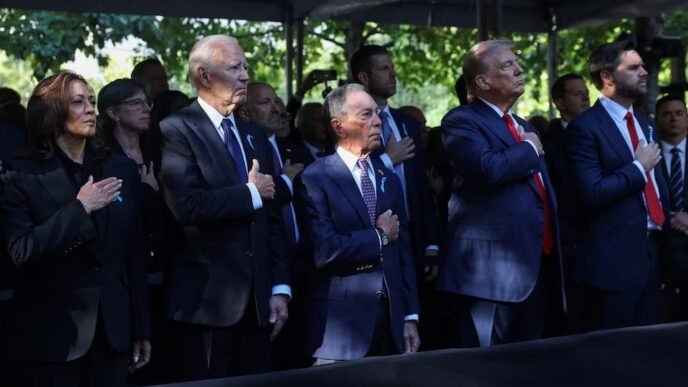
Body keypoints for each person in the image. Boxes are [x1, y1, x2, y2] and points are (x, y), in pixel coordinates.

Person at [0, 70, 151, 386]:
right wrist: (80, 208)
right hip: (52, 336)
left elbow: (133, 254)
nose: (90, 110)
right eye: (78, 103)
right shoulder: (22, 172)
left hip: (113, 333)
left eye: (92, 102)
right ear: (53, 112)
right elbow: (21, 250)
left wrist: (140, 327)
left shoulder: (118, 166)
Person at [158, 35, 290, 381]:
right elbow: (187, 205)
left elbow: (271, 217)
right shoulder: (177, 129)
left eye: (245, 66)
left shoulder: (253, 134)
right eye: (235, 68)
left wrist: (278, 287)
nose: (245, 75)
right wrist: (249, 193)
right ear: (204, 75)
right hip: (207, 304)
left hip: (258, 306)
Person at [439, 40, 564, 347]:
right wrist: (528, 148)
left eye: (517, 63)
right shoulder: (462, 120)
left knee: (529, 362)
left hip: (536, 264)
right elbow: (488, 169)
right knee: (491, 366)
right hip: (492, 275)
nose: (519, 69)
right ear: (482, 82)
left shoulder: (521, 125)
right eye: (508, 65)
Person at [297, 83, 420, 363]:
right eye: (366, 115)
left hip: (391, 325)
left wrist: (409, 315)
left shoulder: (386, 176)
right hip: (340, 331)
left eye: (376, 113)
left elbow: (403, 250)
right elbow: (324, 250)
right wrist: (379, 237)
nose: (377, 121)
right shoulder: (314, 178)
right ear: (339, 127)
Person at [566, 41, 669, 331]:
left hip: (653, 255)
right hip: (612, 265)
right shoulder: (584, 128)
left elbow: (658, 188)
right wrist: (638, 168)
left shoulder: (647, 123)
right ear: (607, 77)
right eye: (634, 67)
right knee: (615, 357)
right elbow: (592, 192)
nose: (644, 72)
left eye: (643, 66)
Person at [350, 44, 439, 285]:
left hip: (415, 236)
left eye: (392, 67)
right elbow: (345, 178)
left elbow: (421, 188)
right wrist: (388, 160)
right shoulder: (349, 123)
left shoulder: (407, 123)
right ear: (364, 77)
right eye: (384, 68)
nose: (393, 73)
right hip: (372, 236)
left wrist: (431, 243)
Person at [542, 73, 590, 334]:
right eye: (576, 93)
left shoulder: (599, 131)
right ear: (559, 102)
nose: (585, 97)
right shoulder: (549, 141)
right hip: (566, 239)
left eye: (585, 92)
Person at [655, 94, 688, 322]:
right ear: (656, 120)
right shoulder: (649, 153)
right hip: (660, 246)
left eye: (679, 113)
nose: (673, 119)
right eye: (666, 114)